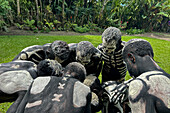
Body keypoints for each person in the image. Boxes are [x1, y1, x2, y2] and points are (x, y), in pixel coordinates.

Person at [13, 62, 92, 113]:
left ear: (62, 73)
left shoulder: (38, 80)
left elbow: (20, 109)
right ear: (80, 81)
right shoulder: (85, 89)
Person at [122, 39, 170, 113]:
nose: (128, 71)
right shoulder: (167, 78)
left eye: (126, 63)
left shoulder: (139, 85)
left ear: (131, 57)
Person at [97, 27, 127, 113]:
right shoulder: (100, 49)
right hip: (106, 77)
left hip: (120, 78)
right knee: (105, 100)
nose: (106, 51)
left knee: (119, 99)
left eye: (110, 48)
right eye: (104, 47)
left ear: (118, 44)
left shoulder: (125, 49)